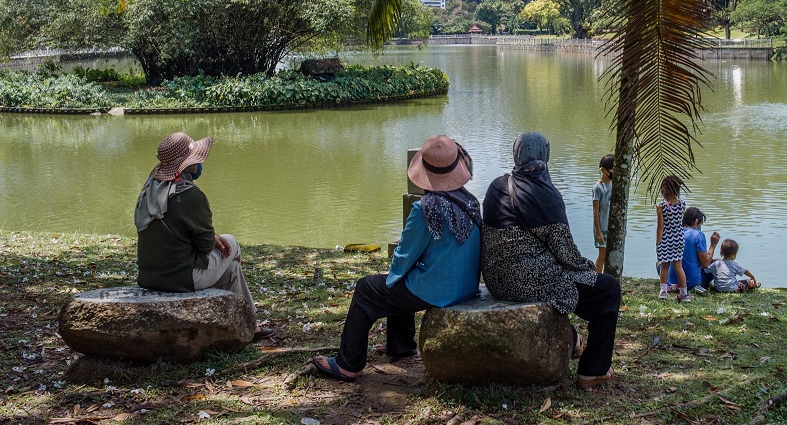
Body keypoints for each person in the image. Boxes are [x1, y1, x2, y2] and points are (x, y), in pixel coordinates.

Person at [311, 135, 481, 382]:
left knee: (368, 288)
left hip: (441, 291)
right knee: (400, 280)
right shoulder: (470, 201)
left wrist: (392, 277)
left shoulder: (426, 208)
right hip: (466, 287)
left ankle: (348, 363)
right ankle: (400, 346)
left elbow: (403, 255)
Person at [481, 132, 621, 390]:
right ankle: (594, 370)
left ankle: (573, 339)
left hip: (496, 280)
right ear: (545, 156)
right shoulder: (544, 193)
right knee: (607, 289)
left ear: (517, 154)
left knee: (575, 283)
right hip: (527, 282)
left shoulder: (497, 186)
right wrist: (589, 268)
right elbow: (566, 254)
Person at [135, 132, 272, 341]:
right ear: (186, 164)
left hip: (149, 277)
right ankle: (244, 320)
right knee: (232, 243)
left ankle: (248, 324)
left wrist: (212, 237)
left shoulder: (150, 189)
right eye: (196, 159)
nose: (200, 162)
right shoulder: (190, 195)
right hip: (180, 279)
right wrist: (215, 239)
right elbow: (205, 246)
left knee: (232, 269)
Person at [667, 207, 721, 295]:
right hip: (691, 284)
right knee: (717, 264)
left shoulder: (674, 233)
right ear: (696, 222)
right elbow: (705, 264)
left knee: (659, 263)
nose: (699, 227)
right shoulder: (699, 235)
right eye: (700, 225)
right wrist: (713, 245)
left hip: (672, 282)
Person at [656, 176, 688, 301]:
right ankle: (684, 293)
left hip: (666, 239)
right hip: (679, 238)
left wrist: (658, 242)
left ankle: (663, 291)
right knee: (678, 266)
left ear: (664, 190)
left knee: (665, 265)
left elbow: (660, 227)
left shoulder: (661, 207)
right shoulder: (682, 204)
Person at [592, 154, 614, 273]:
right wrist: (599, 231)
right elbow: (596, 211)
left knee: (610, 256)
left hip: (612, 227)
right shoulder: (598, 188)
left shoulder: (614, 185)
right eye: (612, 169)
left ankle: (605, 280)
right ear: (604, 170)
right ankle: (597, 280)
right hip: (602, 226)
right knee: (602, 255)